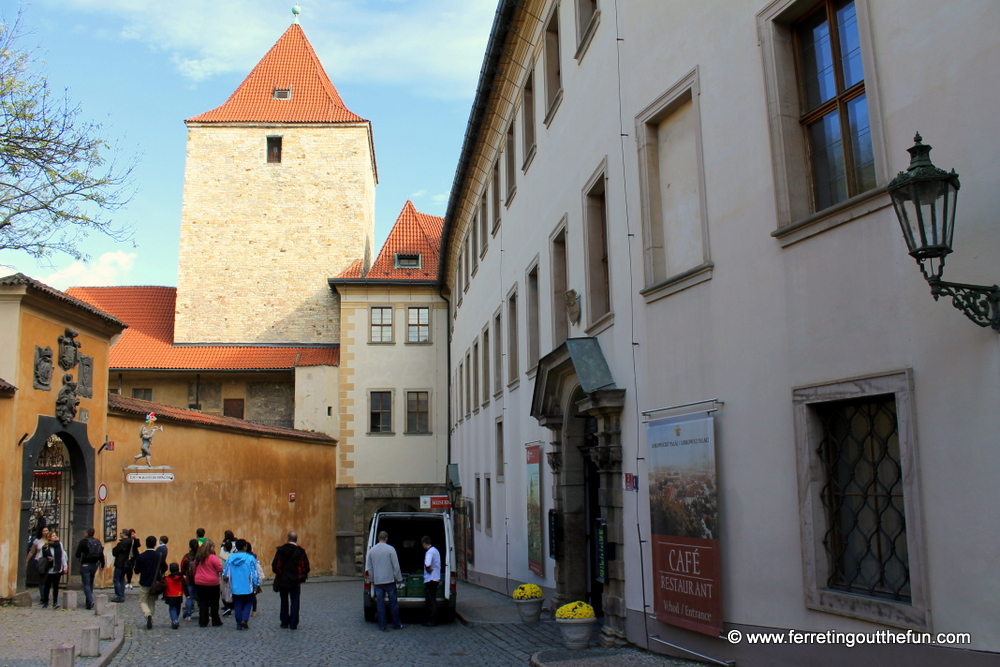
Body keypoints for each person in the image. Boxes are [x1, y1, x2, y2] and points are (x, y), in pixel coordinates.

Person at [365, 531, 404, 631]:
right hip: (389, 580)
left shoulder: (372, 551)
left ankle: (382, 625)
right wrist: (399, 579)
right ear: (386, 538)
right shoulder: (391, 549)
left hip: (378, 581)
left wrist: (372, 579)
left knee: (380, 603)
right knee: (393, 603)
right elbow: (396, 566)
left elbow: (369, 568)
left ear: (378, 538)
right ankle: (396, 624)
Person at [271, 531, 310, 630]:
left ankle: (284, 622)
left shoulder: (281, 550)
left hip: (283, 579)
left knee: (284, 601)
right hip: (296, 580)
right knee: (295, 602)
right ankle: (293, 623)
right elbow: (305, 566)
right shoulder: (300, 551)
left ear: (287, 538)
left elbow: (275, 566)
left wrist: (280, 573)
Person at [223, 539, 260, 630]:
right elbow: (254, 573)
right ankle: (245, 619)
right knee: (248, 602)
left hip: (235, 585)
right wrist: (256, 584)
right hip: (247, 585)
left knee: (237, 604)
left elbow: (225, 572)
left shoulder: (230, 558)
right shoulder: (250, 558)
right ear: (245, 547)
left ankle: (239, 623)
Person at [134, 535, 166, 630]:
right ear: (155, 544)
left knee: (143, 601)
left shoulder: (141, 556)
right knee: (152, 602)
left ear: (146, 544)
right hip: (155, 583)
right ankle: (151, 618)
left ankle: (147, 615)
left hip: (144, 581)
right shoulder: (159, 556)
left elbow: (136, 571)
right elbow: (165, 567)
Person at [192, 539, 224, 627]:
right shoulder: (213, 558)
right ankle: (215, 620)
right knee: (214, 602)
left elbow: (194, 569)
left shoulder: (198, 558)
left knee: (202, 602)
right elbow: (219, 569)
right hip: (212, 582)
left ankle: (203, 621)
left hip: (200, 582)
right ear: (210, 548)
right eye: (213, 546)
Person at [74, 527, 106, 610]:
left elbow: (77, 554)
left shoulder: (83, 541)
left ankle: (90, 600)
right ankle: (88, 602)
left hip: (85, 564)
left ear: (86, 533)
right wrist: (102, 565)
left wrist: (80, 556)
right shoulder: (97, 541)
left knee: (86, 584)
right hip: (94, 564)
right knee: (90, 583)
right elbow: (101, 554)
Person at [38, 530, 68, 609]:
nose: (55, 537)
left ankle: (55, 602)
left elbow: (62, 556)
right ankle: (45, 602)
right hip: (49, 569)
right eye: (53, 536)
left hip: (57, 568)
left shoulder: (59, 545)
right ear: (49, 538)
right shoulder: (45, 546)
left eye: (55, 535)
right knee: (47, 586)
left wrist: (64, 566)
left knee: (56, 586)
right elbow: (41, 557)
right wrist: (47, 558)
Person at [421, 535, 441, 627]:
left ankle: (432, 620)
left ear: (424, 544)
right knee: (433, 599)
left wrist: (428, 569)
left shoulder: (429, 552)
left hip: (430, 579)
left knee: (431, 600)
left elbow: (427, 563)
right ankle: (433, 619)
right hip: (436, 577)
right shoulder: (436, 551)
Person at [180, 538, 199, 621]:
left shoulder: (187, 557)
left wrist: (185, 574)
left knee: (189, 597)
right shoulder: (201, 556)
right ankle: (205, 614)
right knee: (202, 598)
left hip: (190, 579)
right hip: (200, 580)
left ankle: (188, 615)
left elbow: (182, 567)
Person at [162, 562, 186, 629]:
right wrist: (187, 594)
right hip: (179, 595)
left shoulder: (167, 579)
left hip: (170, 595)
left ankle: (174, 620)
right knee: (178, 607)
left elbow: (163, 586)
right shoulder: (181, 578)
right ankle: (176, 619)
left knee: (172, 608)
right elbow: (185, 586)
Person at [219, 530, 237, 616]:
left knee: (224, 590)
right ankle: (232, 604)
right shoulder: (236, 544)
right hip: (234, 573)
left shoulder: (223, 548)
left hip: (225, 573)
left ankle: (227, 605)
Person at [25, 525, 50, 590]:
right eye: (44, 531)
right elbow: (32, 551)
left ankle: (46, 593)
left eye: (47, 530)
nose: (45, 532)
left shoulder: (52, 540)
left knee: (48, 578)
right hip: (39, 560)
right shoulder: (37, 541)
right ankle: (42, 594)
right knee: (42, 577)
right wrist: (27, 560)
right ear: (41, 532)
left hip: (49, 561)